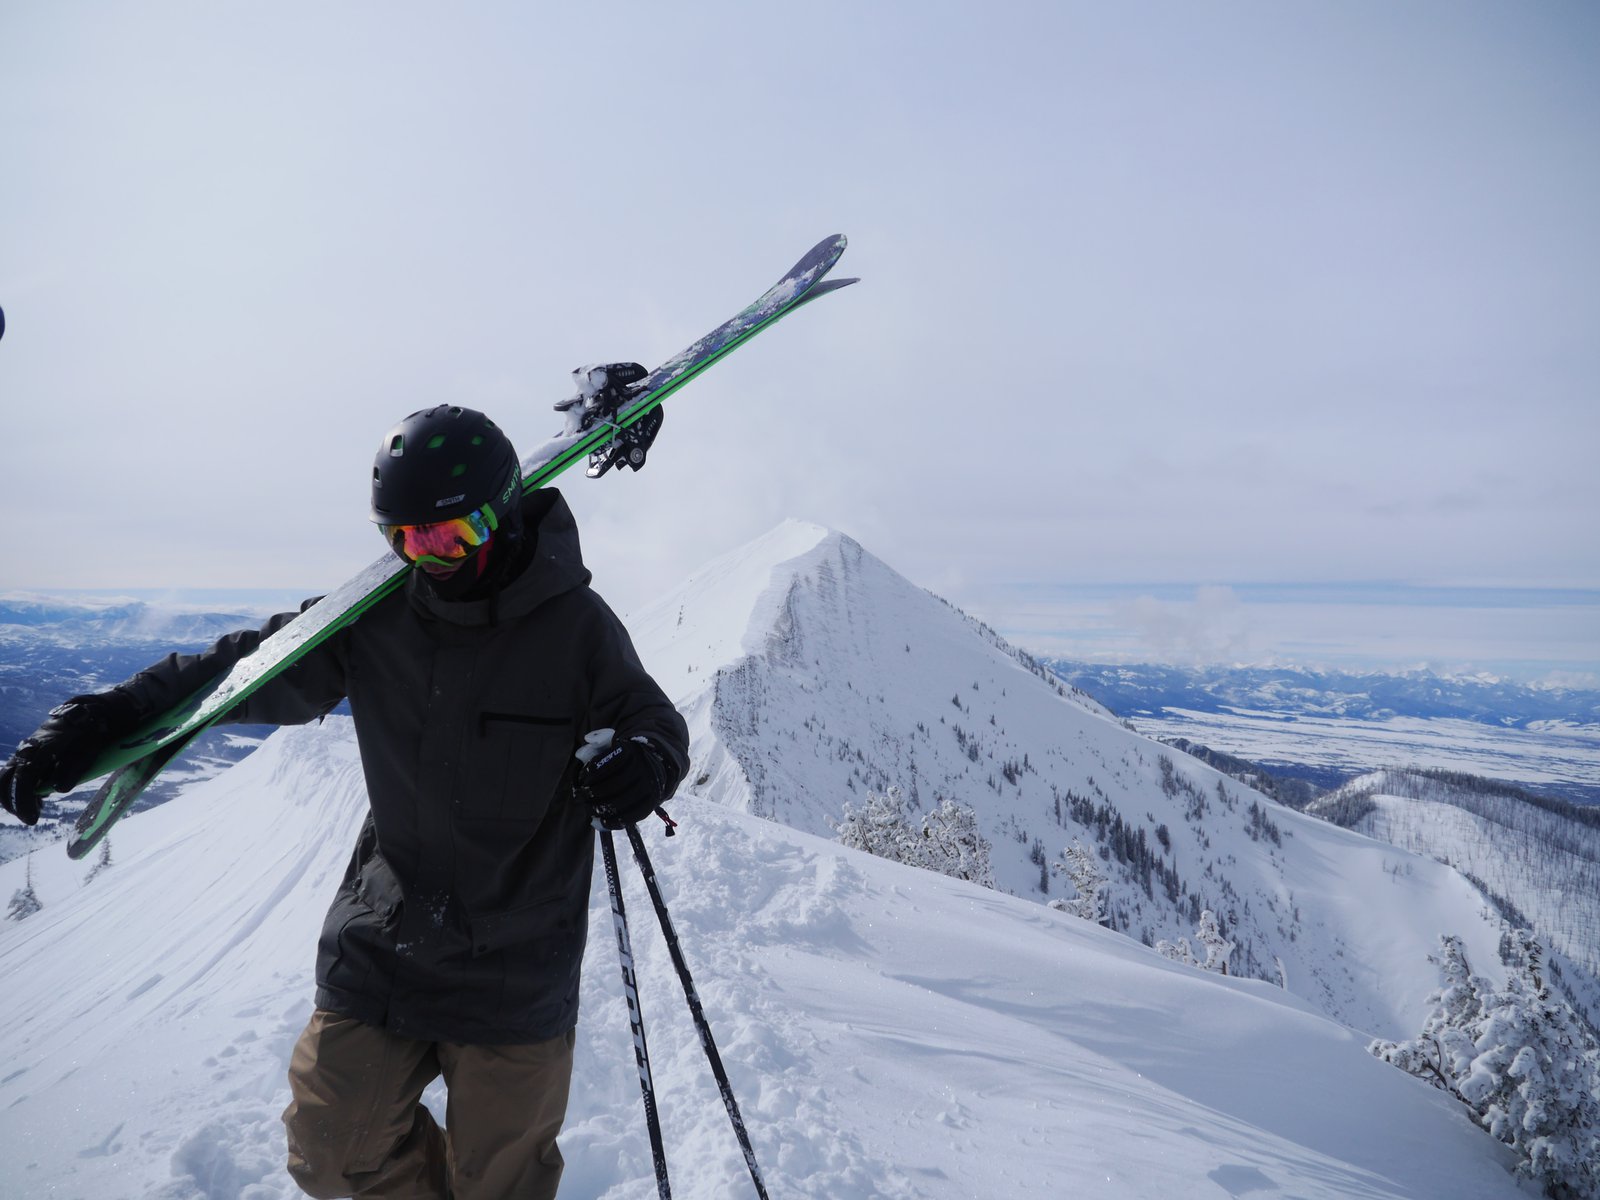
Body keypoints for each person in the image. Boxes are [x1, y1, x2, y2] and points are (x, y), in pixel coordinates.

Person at [0, 404, 690, 1200]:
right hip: (388, 939)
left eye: (447, 536)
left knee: (502, 1184)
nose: (426, 559)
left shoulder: (574, 628)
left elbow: (652, 720)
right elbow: (242, 669)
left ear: (500, 514)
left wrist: (646, 762)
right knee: (327, 1151)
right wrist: (107, 714)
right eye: (403, 539)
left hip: (517, 957)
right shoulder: (376, 619)